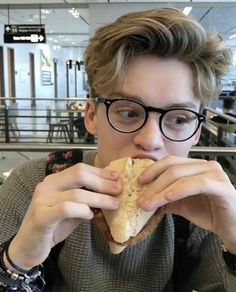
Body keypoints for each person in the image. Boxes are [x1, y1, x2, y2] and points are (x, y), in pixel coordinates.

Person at [0, 7, 236, 292]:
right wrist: (16, 263)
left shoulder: (209, 206)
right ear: (91, 115)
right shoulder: (33, 185)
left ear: (197, 131)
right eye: (128, 112)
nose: (150, 140)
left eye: (178, 119)